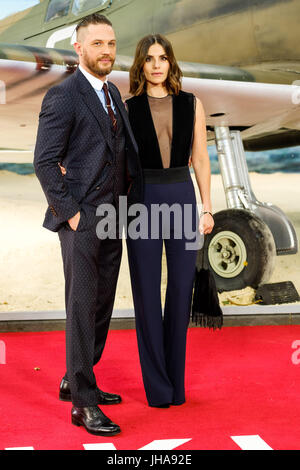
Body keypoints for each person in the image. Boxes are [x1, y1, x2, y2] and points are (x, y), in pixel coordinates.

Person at [34, 13, 142, 436]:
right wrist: (73, 214)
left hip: (115, 214)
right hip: (82, 217)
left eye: (111, 44)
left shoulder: (114, 93)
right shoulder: (64, 95)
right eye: (97, 44)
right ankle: (82, 403)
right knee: (81, 306)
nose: (107, 51)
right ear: (79, 48)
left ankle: (77, 378)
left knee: (101, 304)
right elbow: (44, 161)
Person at [125, 34, 214, 408]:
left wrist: (207, 207)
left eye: (163, 58)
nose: (157, 64)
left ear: (171, 62)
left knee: (180, 290)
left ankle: (176, 385)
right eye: (150, 59)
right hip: (141, 202)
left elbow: (201, 160)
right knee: (146, 295)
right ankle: (158, 389)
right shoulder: (128, 108)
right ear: (141, 65)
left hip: (182, 195)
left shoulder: (192, 104)